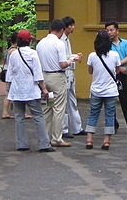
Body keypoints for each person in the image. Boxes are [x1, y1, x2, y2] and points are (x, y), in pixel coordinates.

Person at [6, 30, 55, 152]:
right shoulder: (33, 54)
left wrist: (8, 89)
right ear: (29, 41)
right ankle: (44, 144)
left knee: (19, 117)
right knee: (38, 116)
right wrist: (44, 89)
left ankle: (21, 143)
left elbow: (9, 75)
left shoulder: (13, 55)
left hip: (17, 90)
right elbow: (38, 74)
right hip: (31, 90)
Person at [36, 19, 77, 147]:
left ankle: (45, 136)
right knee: (59, 108)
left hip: (44, 77)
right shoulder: (59, 44)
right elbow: (63, 64)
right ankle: (57, 138)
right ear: (61, 30)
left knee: (47, 107)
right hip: (57, 77)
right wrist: (72, 60)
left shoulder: (41, 43)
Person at [85, 30, 120, 150]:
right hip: (111, 90)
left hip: (96, 90)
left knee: (93, 114)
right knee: (109, 115)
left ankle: (89, 140)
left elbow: (90, 71)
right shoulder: (115, 55)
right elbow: (118, 70)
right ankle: (106, 141)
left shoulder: (92, 56)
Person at [105, 21, 127, 133]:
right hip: (111, 74)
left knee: (125, 100)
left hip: (123, 74)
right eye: (107, 30)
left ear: (117, 31)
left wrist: (119, 64)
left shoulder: (125, 43)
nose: (109, 33)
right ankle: (113, 124)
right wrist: (118, 67)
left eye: (111, 30)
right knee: (111, 100)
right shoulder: (106, 44)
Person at [60, 16, 85, 138]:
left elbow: (68, 55)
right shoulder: (60, 41)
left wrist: (74, 56)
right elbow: (63, 58)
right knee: (64, 102)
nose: (73, 27)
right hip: (65, 73)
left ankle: (77, 127)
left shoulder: (67, 39)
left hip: (70, 73)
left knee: (72, 101)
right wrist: (73, 57)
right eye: (71, 25)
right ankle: (64, 129)